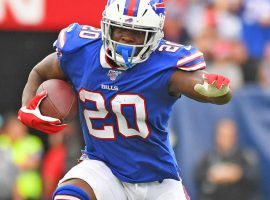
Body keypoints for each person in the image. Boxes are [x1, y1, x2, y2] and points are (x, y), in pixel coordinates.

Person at [17, 0, 232, 199]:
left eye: (136, 32)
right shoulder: (82, 53)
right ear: (106, 26)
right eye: (121, 28)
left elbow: (205, 87)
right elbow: (40, 72)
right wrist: (27, 107)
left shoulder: (162, 66)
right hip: (102, 166)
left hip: (156, 179)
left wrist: (217, 91)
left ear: (154, 36)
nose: (126, 37)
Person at [195, 118, 260, 200]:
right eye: (222, 135)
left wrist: (238, 173)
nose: (226, 139)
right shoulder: (207, 158)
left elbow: (255, 178)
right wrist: (212, 175)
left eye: (229, 135)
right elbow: (198, 179)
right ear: (216, 136)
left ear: (235, 137)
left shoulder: (245, 156)